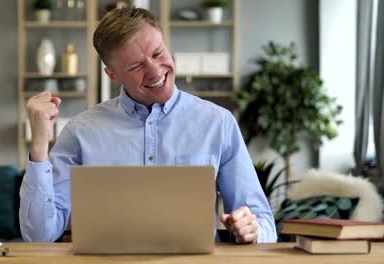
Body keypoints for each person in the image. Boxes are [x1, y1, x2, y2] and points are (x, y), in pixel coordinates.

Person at [19, 7, 277, 243]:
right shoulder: (80, 132)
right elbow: (39, 236)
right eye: (136, 66)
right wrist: (39, 144)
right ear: (112, 75)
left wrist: (252, 230)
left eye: (158, 53)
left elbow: (264, 225)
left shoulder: (218, 123)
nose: (155, 71)